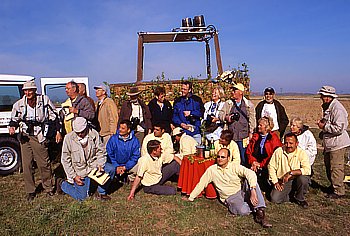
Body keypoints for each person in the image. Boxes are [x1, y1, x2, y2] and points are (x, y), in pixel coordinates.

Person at [183, 148, 272, 228]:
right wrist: (191, 197)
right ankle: (253, 207)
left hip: (241, 191)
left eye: (223, 157)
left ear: (228, 158)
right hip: (230, 197)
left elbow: (250, 173)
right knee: (243, 211)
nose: (220, 159)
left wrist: (252, 190)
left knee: (252, 182)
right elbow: (201, 183)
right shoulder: (212, 170)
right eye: (218, 157)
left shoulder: (234, 166)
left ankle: (260, 213)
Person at [9, 80, 61, 201]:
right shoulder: (19, 104)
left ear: (34, 90)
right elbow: (13, 119)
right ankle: (30, 191)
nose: (28, 93)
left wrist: (58, 131)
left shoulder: (44, 100)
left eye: (30, 90)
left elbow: (55, 116)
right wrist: (12, 127)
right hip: (25, 136)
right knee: (27, 165)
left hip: (39, 135)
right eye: (25, 90)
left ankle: (48, 187)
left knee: (44, 163)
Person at [59, 117, 114, 201]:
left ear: (86, 128)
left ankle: (101, 192)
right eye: (77, 132)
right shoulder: (68, 138)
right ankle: (62, 184)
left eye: (82, 132)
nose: (80, 134)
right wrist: (74, 176)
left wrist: (100, 164)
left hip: (94, 166)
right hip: (79, 171)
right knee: (82, 198)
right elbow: (65, 160)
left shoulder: (94, 134)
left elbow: (101, 151)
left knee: (111, 169)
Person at [317, 85, 350, 199]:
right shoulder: (329, 107)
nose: (321, 97)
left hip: (337, 144)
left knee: (336, 167)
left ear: (327, 97)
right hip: (331, 143)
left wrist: (324, 127)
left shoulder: (337, 109)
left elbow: (340, 128)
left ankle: (339, 191)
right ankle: (333, 187)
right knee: (329, 166)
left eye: (322, 95)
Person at [268, 133, 311, 208]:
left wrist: (291, 173)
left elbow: (307, 170)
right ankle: (292, 196)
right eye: (286, 143)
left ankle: (300, 198)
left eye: (291, 143)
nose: (288, 145)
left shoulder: (302, 153)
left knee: (303, 179)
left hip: (296, 178)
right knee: (274, 199)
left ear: (296, 143)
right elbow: (271, 167)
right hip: (283, 181)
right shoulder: (279, 151)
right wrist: (275, 182)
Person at [219, 83, 255, 165]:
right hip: (231, 136)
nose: (232, 92)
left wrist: (251, 133)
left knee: (243, 158)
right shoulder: (228, 104)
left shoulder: (248, 105)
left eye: (235, 90)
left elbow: (252, 120)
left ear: (241, 92)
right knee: (231, 157)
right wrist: (226, 117)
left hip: (243, 137)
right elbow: (220, 114)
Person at [246, 116, 282, 193]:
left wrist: (261, 164)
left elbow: (273, 155)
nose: (258, 126)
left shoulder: (273, 138)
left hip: (268, 163)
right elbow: (249, 151)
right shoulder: (256, 136)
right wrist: (253, 162)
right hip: (256, 162)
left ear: (266, 127)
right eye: (258, 125)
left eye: (260, 125)